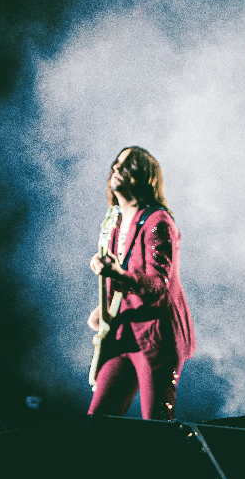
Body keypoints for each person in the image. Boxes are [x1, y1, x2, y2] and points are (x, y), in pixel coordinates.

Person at [86, 146, 196, 419]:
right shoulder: (114, 223)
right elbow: (119, 275)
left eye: (126, 166)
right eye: (116, 163)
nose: (116, 169)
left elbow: (159, 283)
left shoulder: (157, 221)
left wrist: (117, 275)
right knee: (98, 419)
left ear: (144, 177)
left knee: (156, 422)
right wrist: (106, 310)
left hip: (156, 336)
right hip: (124, 334)